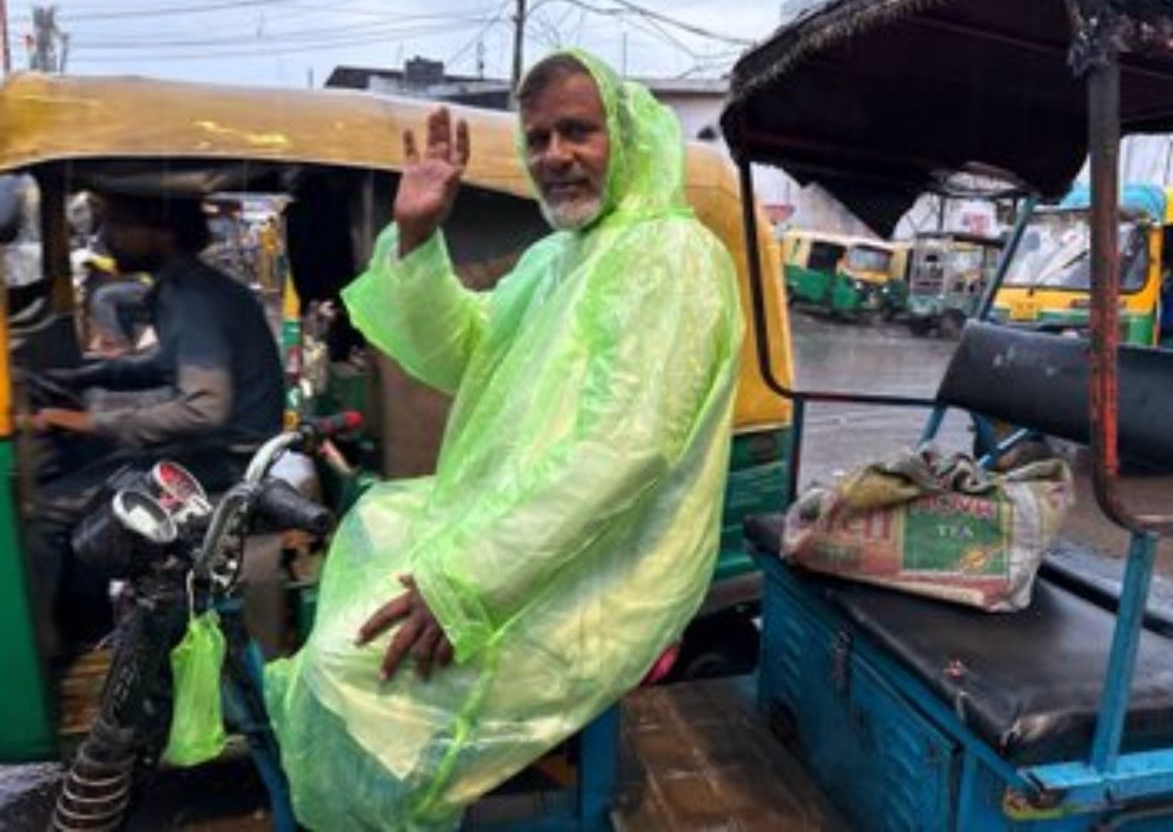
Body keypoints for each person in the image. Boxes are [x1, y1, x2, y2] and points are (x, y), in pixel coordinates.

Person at [266, 49, 743, 830]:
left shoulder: (671, 256)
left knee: (347, 669)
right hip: (523, 543)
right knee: (374, 531)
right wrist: (417, 238)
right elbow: (467, 349)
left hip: (601, 575)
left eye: (578, 132)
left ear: (624, 134)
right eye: (539, 138)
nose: (555, 156)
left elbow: (623, 450)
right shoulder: (560, 257)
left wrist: (465, 585)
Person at [28, 192, 285, 648]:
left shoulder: (190, 297)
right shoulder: (191, 286)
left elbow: (204, 407)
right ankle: (89, 631)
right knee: (93, 464)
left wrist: (92, 422)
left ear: (164, 233)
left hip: (224, 463)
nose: (107, 237)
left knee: (46, 511)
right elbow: (164, 364)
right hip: (224, 449)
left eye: (121, 224)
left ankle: (50, 650)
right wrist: (87, 375)